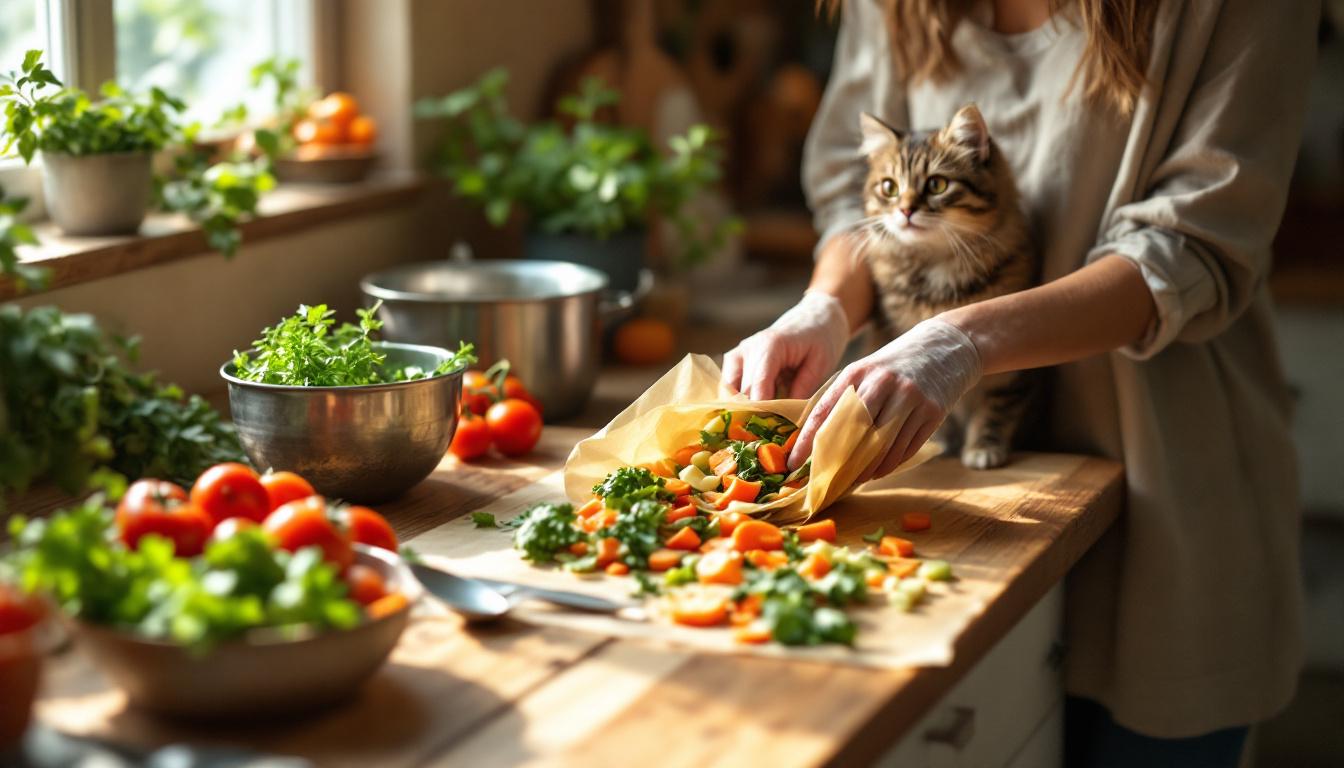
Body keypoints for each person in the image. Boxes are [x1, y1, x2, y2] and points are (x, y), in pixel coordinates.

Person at [720, 0, 1321, 765]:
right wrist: (827, 306)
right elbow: (856, 187)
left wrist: (963, 341)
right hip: (967, 507)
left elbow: (1189, 246)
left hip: (1166, 491)